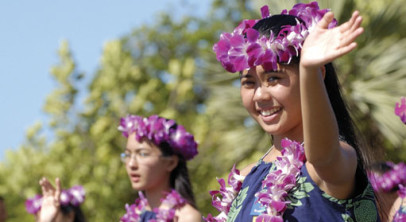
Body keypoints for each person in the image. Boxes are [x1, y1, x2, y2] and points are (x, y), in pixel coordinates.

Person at [206, 1, 380, 221]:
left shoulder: (333, 161)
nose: (260, 95)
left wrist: (309, 69)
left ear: (319, 75)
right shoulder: (244, 178)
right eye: (249, 83)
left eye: (273, 78)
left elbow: (322, 156)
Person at [118, 114, 201, 221]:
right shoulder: (133, 215)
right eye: (128, 155)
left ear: (171, 163)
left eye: (143, 154)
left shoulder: (186, 217)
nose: (131, 164)